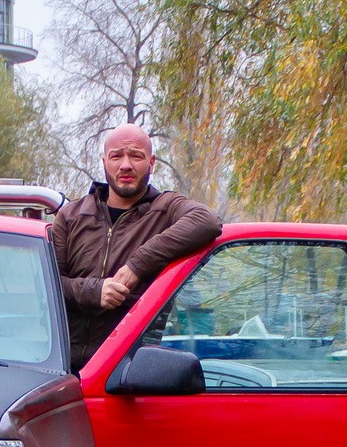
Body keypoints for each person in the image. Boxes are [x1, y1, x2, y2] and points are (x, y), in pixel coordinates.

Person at [49, 125, 222, 371]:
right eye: (117, 155)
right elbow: (49, 286)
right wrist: (94, 291)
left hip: (127, 375)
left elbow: (207, 222)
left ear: (151, 162)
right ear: (104, 161)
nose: (126, 165)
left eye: (136, 156)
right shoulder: (71, 216)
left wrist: (138, 264)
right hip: (61, 369)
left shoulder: (166, 209)